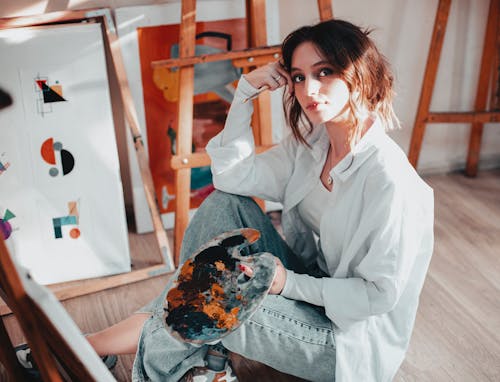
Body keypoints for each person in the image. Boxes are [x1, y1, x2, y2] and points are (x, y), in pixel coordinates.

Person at [18, 19, 434, 382]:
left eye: (325, 72)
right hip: (316, 286)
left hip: (347, 341)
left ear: (358, 72)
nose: (310, 88)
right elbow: (233, 176)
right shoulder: (313, 143)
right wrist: (244, 94)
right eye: (298, 76)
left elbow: (378, 296)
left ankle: (89, 346)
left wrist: (286, 282)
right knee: (223, 204)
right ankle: (201, 365)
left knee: (217, 293)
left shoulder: (389, 181)